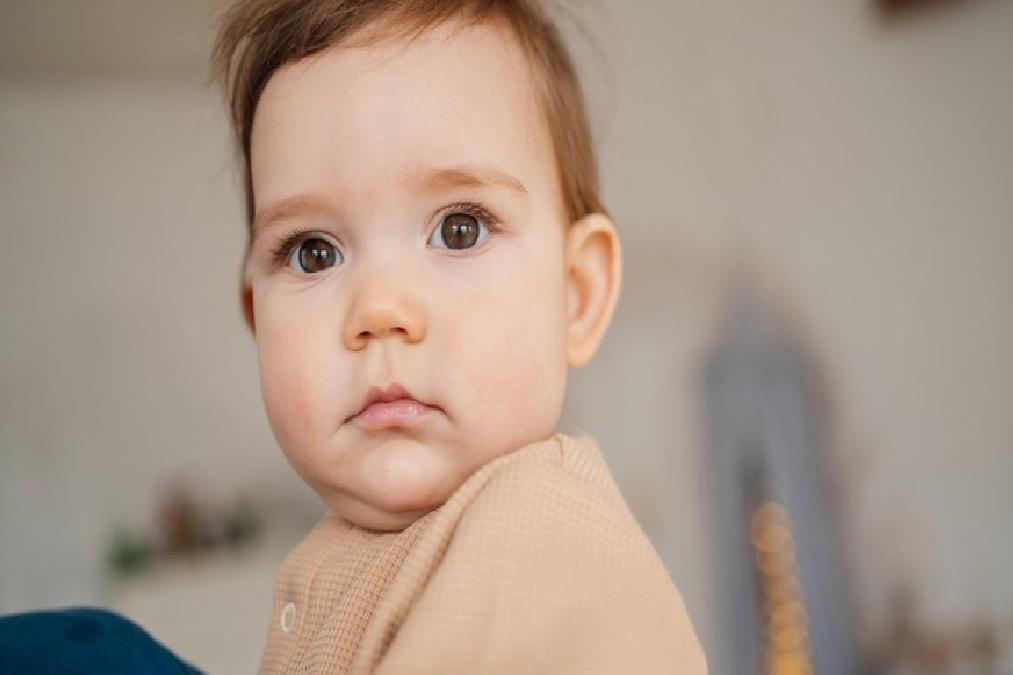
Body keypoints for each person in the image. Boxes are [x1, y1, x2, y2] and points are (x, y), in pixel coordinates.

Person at [212, 0, 708, 672]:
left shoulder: (545, 541)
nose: (380, 309)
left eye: (458, 229)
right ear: (255, 322)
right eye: (313, 252)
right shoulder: (363, 552)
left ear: (577, 294)